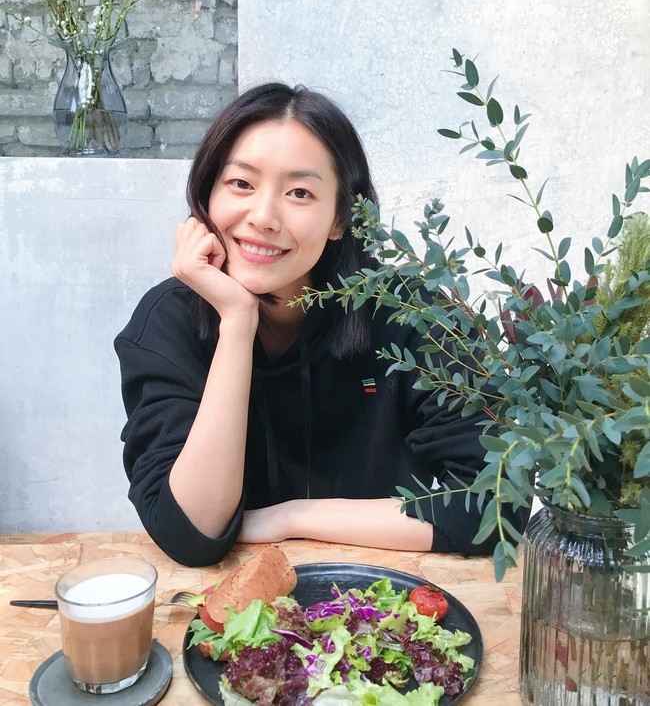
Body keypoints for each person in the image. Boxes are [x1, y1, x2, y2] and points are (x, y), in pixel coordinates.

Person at [115, 83, 528, 567]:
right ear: (208, 193)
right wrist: (237, 323)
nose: (263, 216)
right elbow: (191, 533)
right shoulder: (167, 323)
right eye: (241, 184)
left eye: (299, 192)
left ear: (341, 218)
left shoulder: (412, 315)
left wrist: (291, 517)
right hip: (229, 602)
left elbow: (498, 504)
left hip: (381, 596)